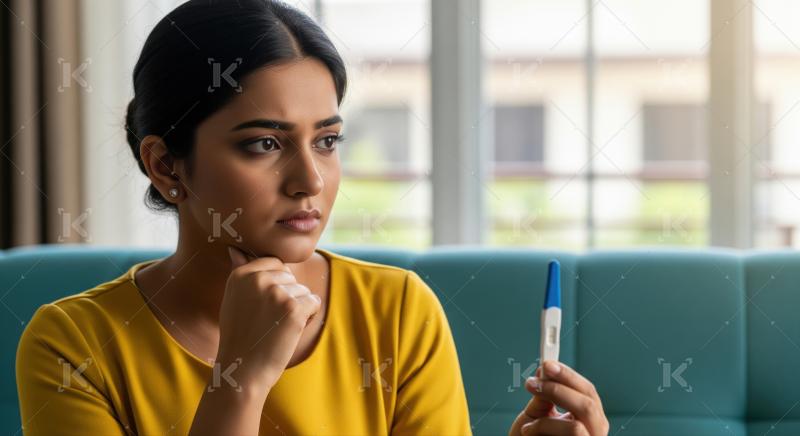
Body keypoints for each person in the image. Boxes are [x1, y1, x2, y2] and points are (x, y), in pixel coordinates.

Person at [15, 0, 608, 434]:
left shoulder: (397, 311)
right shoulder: (73, 345)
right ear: (167, 165)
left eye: (326, 141)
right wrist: (240, 379)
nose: (311, 181)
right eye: (265, 145)